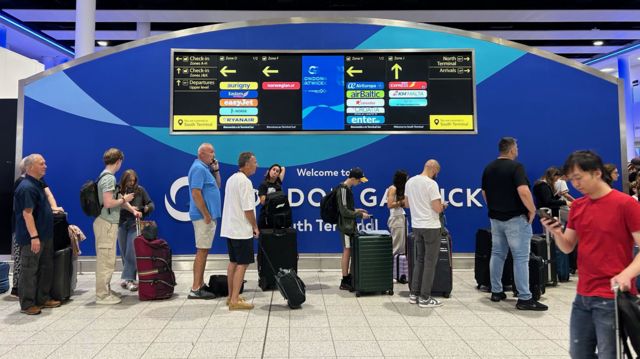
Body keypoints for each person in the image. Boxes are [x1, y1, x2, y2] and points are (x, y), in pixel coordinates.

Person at [541, 150, 640, 358]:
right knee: (579, 353)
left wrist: (626, 274)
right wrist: (557, 231)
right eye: (571, 179)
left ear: (596, 173)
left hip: (612, 296)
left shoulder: (626, 204)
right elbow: (568, 246)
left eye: (579, 178)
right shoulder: (578, 206)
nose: (575, 184)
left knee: (609, 354)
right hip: (583, 295)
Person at [481, 137, 547, 311]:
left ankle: (496, 291)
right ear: (511, 150)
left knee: (497, 254)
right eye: (516, 147)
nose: (517, 150)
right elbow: (523, 191)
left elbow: (484, 192)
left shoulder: (489, 168)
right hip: (516, 219)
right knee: (520, 258)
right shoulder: (516, 167)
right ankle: (525, 298)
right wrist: (532, 210)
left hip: (495, 218)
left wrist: (494, 207)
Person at [13, 154, 61, 314]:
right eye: (41, 163)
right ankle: (27, 304)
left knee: (46, 267)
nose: (45, 166)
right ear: (30, 167)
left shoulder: (38, 184)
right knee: (30, 270)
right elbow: (27, 214)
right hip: (32, 238)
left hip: (45, 236)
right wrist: (34, 237)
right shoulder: (26, 187)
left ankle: (42, 298)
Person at [94, 148, 140, 305]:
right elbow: (109, 203)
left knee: (108, 259)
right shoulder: (109, 179)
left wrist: (131, 208)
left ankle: (106, 290)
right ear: (119, 161)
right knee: (105, 260)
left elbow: (117, 197)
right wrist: (125, 199)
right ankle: (102, 295)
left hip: (108, 223)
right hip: (106, 223)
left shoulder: (106, 177)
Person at [220, 152, 259, 310]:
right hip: (241, 230)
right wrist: (255, 227)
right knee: (242, 264)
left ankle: (231, 297)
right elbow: (248, 209)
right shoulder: (245, 182)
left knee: (233, 262)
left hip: (230, 228)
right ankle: (235, 300)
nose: (257, 164)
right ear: (247, 164)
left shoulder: (231, 179)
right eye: (255, 162)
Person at [404, 160, 445, 308]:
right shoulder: (431, 184)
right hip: (431, 226)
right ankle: (425, 297)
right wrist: (443, 205)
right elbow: (437, 208)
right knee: (429, 263)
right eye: (436, 172)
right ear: (433, 169)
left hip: (416, 226)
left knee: (419, 260)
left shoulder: (410, 182)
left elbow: (407, 204)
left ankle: (414, 294)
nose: (436, 175)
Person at [187, 143, 222, 299]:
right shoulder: (198, 169)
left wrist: (216, 170)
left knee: (204, 250)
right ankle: (195, 288)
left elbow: (218, 185)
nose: (213, 155)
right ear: (201, 154)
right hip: (203, 217)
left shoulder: (206, 169)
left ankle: (200, 284)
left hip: (207, 217)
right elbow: (196, 193)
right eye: (211, 152)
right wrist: (206, 214)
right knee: (201, 251)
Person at [116, 169, 154, 292]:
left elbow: (151, 204)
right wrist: (125, 204)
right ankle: (127, 279)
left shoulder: (140, 190)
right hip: (121, 224)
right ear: (124, 180)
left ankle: (129, 279)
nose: (131, 183)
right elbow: (112, 205)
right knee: (124, 251)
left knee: (131, 251)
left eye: (133, 180)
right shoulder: (118, 190)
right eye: (129, 181)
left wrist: (144, 209)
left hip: (134, 224)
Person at [336, 167, 370, 291]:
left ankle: (348, 277)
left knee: (349, 251)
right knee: (347, 251)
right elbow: (344, 211)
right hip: (346, 226)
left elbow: (347, 208)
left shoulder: (347, 189)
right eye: (359, 181)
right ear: (353, 179)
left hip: (349, 225)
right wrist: (360, 215)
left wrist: (357, 210)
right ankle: (345, 280)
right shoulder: (343, 189)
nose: (360, 183)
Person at [387, 170, 408, 255]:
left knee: (403, 246)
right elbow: (390, 204)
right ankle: (393, 266)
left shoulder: (400, 190)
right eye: (406, 179)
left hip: (401, 218)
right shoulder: (393, 188)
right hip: (396, 219)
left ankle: (399, 266)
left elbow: (403, 205)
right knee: (397, 247)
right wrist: (402, 202)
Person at [257, 163, 285, 228]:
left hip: (276, 217)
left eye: (277, 171)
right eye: (273, 169)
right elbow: (263, 202)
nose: (274, 172)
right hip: (265, 217)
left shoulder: (278, 184)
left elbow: (283, 168)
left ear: (278, 175)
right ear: (269, 171)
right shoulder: (264, 184)